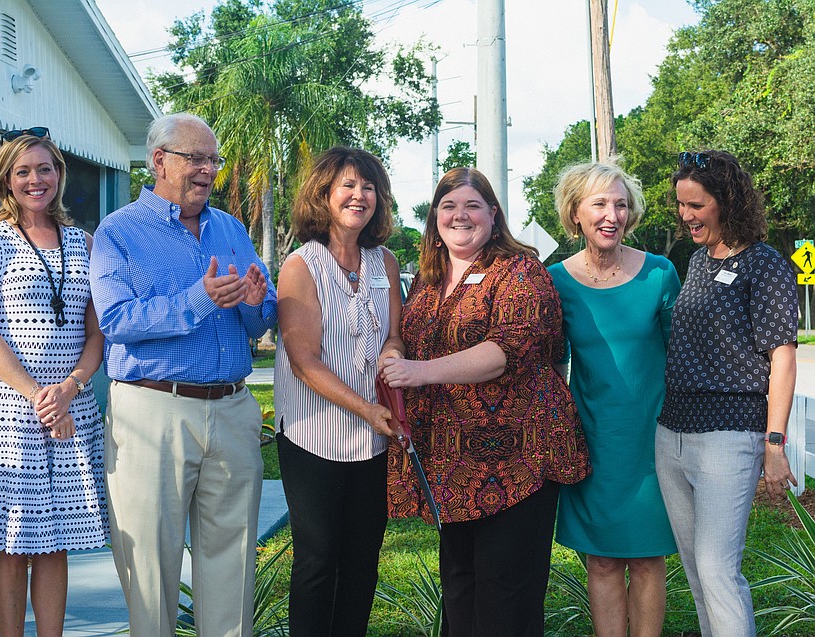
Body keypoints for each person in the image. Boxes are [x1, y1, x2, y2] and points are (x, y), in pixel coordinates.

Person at [89, 113, 277, 637]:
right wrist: (200, 297)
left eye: (212, 160)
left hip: (234, 409)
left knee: (234, 559)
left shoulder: (232, 228)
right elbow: (116, 320)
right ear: (159, 161)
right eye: (196, 158)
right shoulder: (118, 232)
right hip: (154, 411)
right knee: (150, 562)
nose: (207, 170)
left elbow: (261, 314)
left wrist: (259, 304)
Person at [382, 167, 591, 637]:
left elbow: (506, 350)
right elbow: (406, 338)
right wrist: (396, 354)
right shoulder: (429, 281)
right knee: (459, 584)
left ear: (493, 216)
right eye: (449, 206)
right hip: (452, 461)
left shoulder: (520, 271)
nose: (460, 215)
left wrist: (419, 372)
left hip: (519, 457)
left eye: (472, 205)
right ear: (435, 217)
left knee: (505, 592)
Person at [0, 128, 108, 637]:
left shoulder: (84, 241)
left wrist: (66, 390)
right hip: (9, 414)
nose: (35, 180)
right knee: (9, 543)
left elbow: (96, 334)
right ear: (6, 179)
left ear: (59, 175)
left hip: (69, 411)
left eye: (44, 169)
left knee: (54, 541)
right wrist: (37, 396)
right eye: (23, 171)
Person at [655, 150, 798, 637]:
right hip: (671, 432)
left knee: (719, 572)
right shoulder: (695, 263)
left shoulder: (766, 265)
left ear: (727, 202)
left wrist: (774, 443)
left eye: (696, 205)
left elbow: (782, 357)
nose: (685, 215)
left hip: (728, 436)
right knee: (697, 574)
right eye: (681, 205)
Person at [274, 146, 403, 637]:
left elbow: (394, 334)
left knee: (363, 555)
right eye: (348, 186)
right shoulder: (301, 266)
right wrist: (368, 410)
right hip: (314, 436)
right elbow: (305, 362)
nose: (359, 195)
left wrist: (392, 350)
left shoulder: (384, 262)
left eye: (368, 187)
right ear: (323, 195)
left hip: (372, 438)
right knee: (318, 556)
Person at [549, 161, 680, 637]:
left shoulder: (660, 274)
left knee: (647, 559)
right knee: (602, 561)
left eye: (621, 204)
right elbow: (552, 367)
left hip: (652, 441)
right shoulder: (556, 281)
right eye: (600, 203)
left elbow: (681, 359)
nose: (612, 214)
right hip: (591, 442)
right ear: (575, 213)